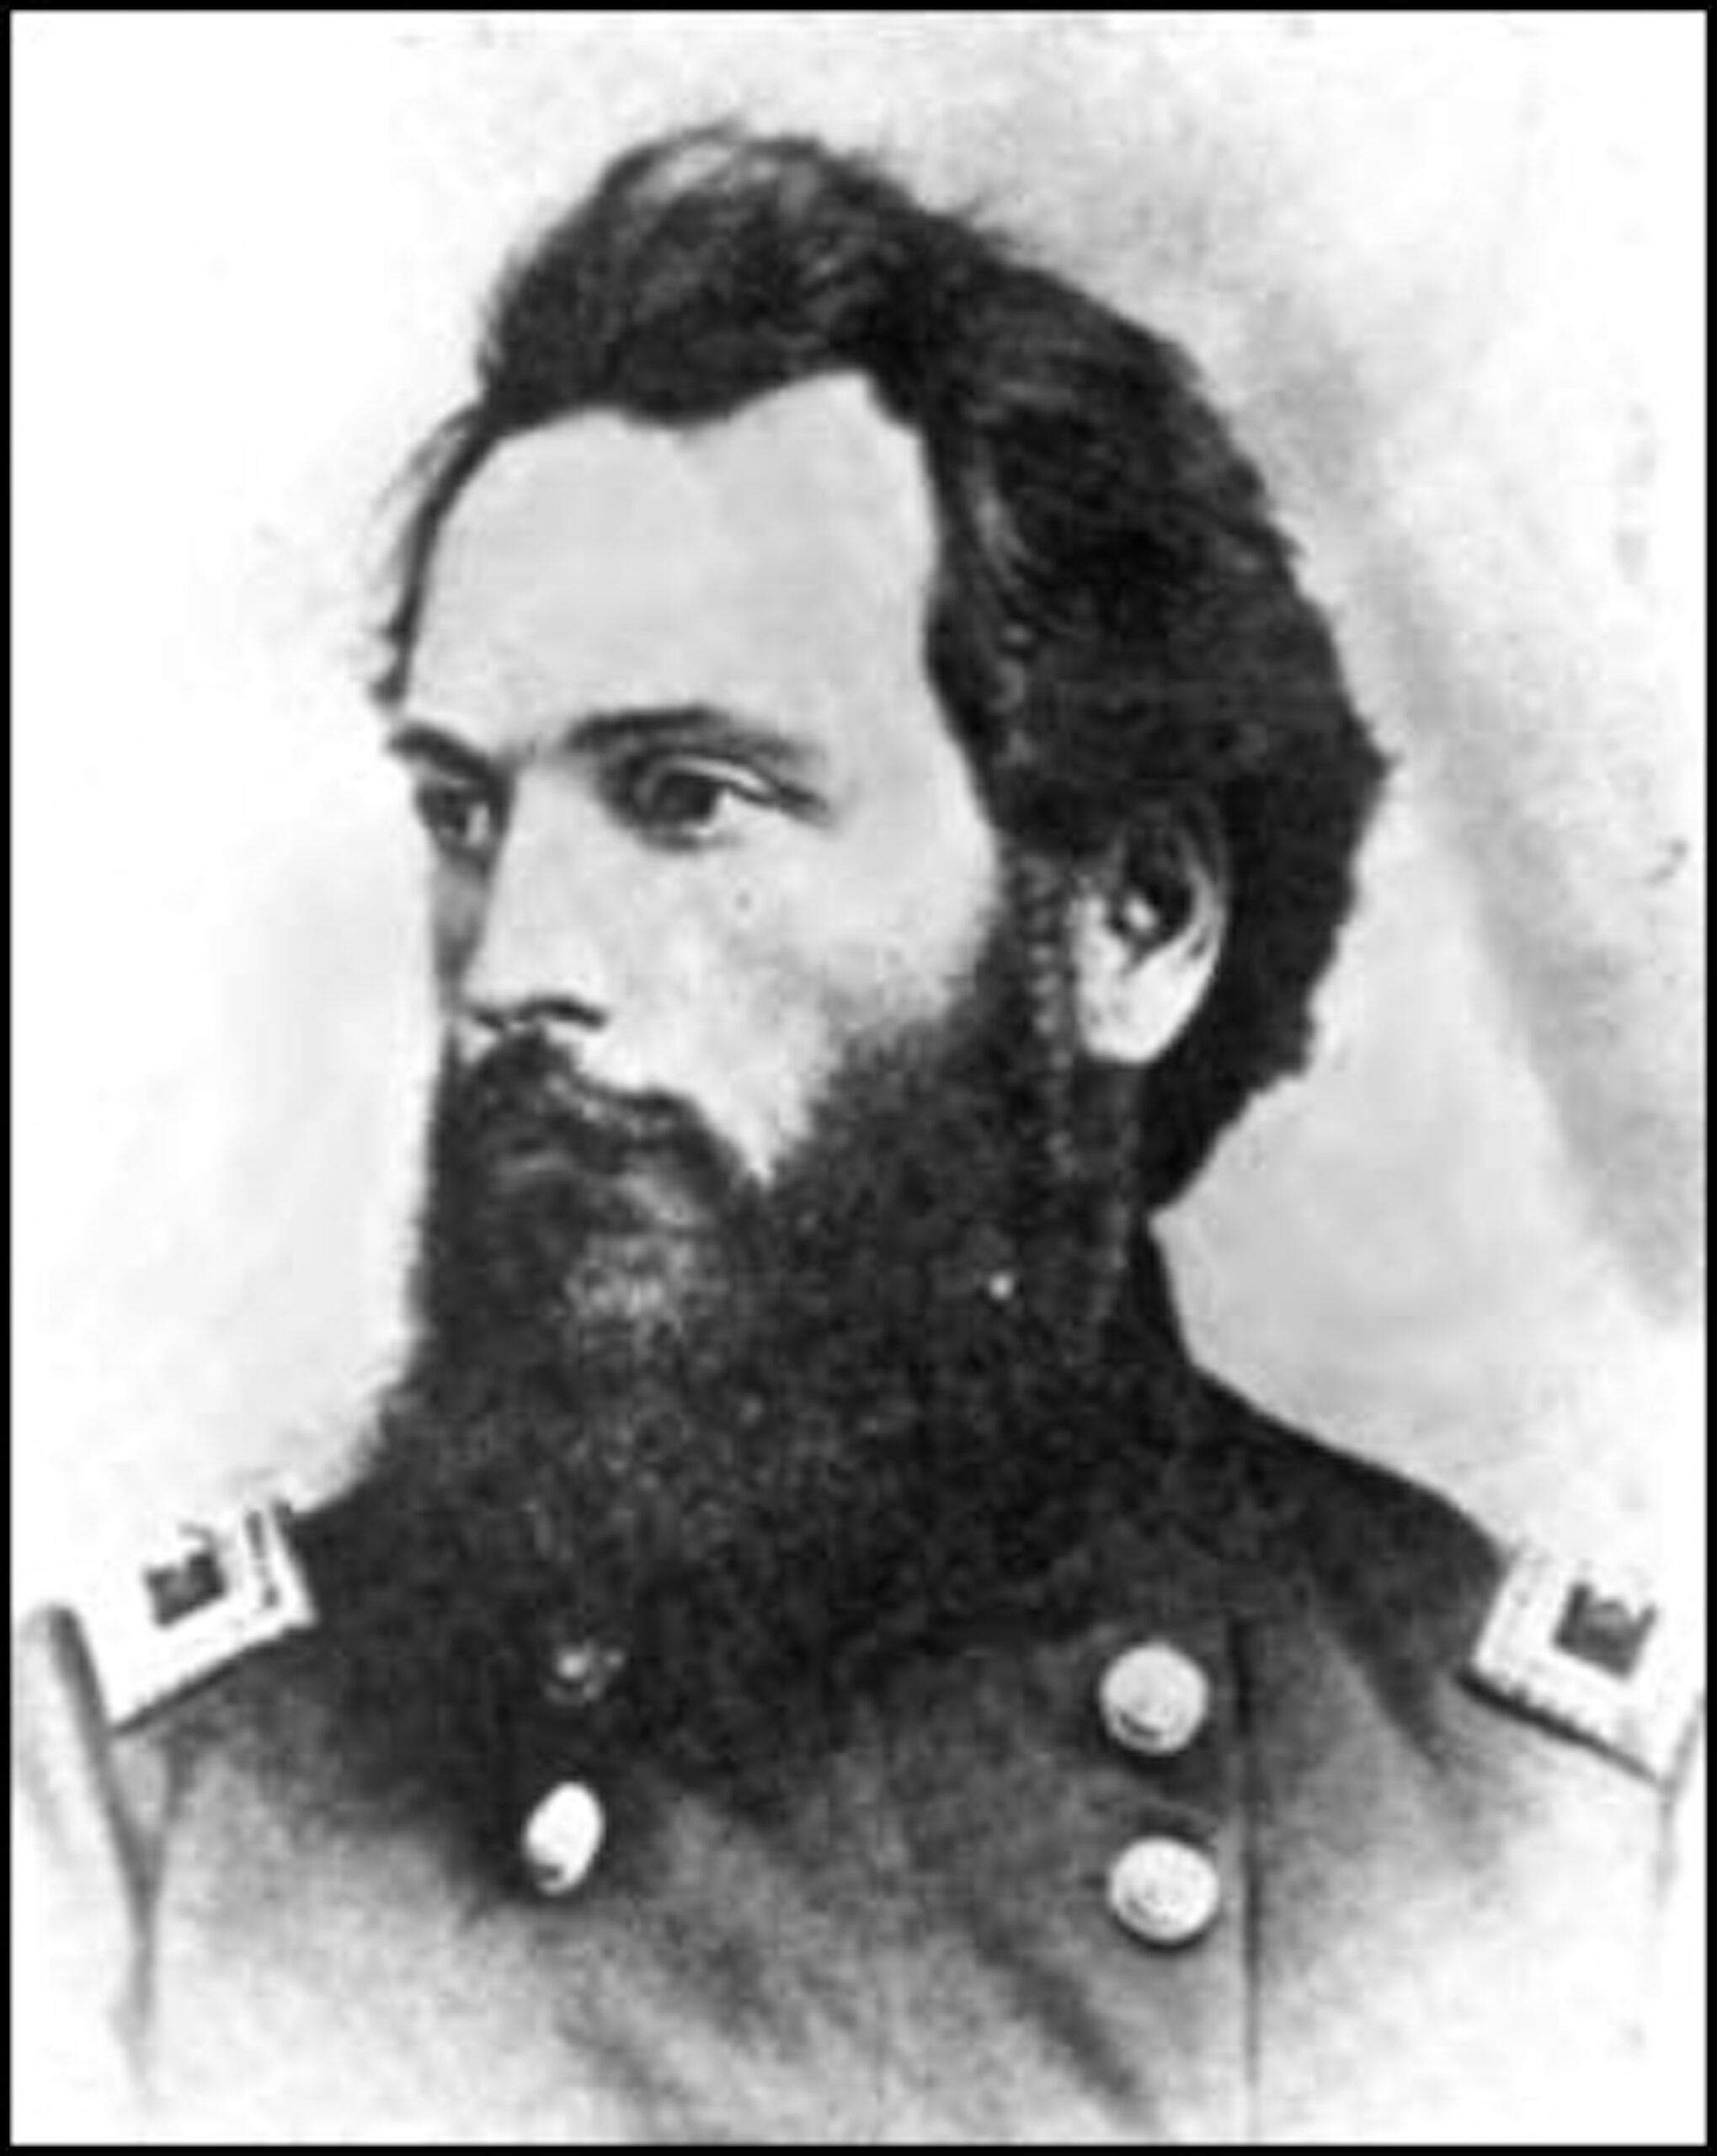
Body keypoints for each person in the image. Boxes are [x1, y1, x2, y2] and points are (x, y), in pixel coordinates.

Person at [15, 126, 1700, 2143]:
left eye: (689, 798)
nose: (510, 971)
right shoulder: (124, 1845)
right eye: (467, 813)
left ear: (1135, 918)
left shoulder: (1575, 1858)